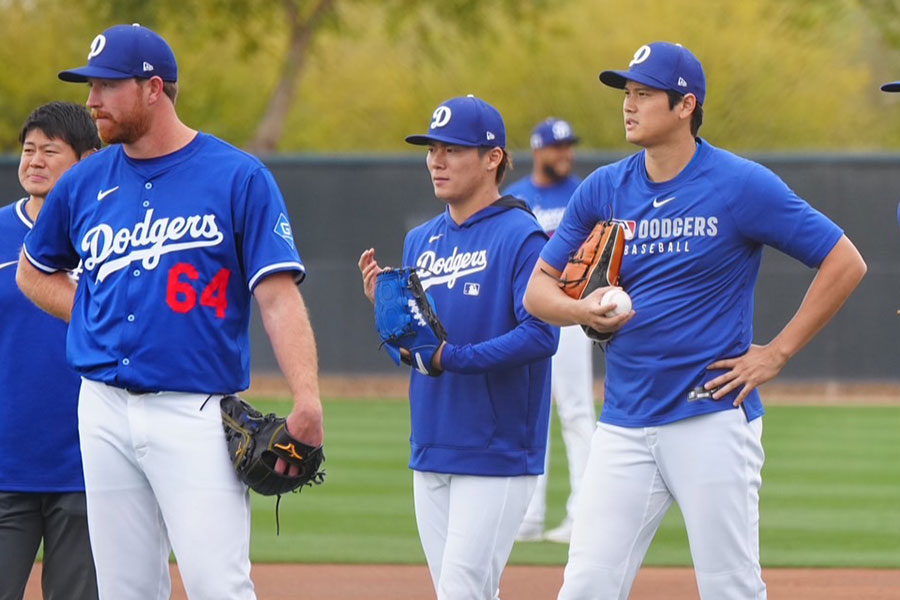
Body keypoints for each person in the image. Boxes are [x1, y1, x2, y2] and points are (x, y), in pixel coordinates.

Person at [522, 42, 866, 599]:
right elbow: (537, 289)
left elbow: (845, 261)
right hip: (625, 424)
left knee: (731, 590)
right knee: (585, 586)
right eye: (626, 93)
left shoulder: (738, 183)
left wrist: (776, 353)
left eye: (644, 94)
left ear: (686, 106)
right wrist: (582, 310)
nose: (629, 105)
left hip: (711, 418)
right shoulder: (605, 188)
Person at [16, 24, 323, 600]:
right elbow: (35, 270)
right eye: (90, 86)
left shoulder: (237, 176)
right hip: (101, 407)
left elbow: (278, 295)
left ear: (153, 88)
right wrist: (91, 312)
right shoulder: (84, 182)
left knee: (218, 585)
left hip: (196, 411)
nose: (91, 101)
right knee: (124, 588)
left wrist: (307, 398)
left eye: (106, 86)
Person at [358, 95, 559, 599]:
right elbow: (412, 352)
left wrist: (453, 358)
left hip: (497, 447)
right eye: (431, 149)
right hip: (431, 440)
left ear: (493, 158)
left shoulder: (522, 235)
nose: (436, 160)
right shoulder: (420, 240)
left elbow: (541, 335)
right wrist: (388, 318)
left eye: (453, 149)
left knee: (462, 592)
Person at [0, 102, 100, 600]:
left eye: (50, 151)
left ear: (85, 160)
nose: (34, 160)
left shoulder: (111, 238)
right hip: (5, 462)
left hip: (87, 466)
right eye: (28, 149)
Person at [504, 117, 595, 544]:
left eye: (569, 146)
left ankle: (584, 515)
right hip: (526, 314)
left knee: (576, 410)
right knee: (528, 410)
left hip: (572, 307)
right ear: (538, 150)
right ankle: (527, 516)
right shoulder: (516, 197)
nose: (566, 154)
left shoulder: (583, 193)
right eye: (557, 147)